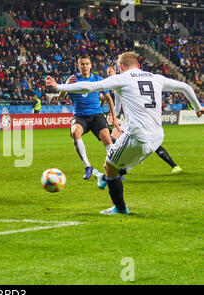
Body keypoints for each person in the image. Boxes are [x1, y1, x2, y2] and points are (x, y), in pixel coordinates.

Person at [46, 52, 203, 215]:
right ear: (138, 65)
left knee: (109, 167)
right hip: (157, 137)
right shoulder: (156, 78)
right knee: (121, 165)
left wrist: (59, 87)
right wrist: (198, 108)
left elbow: (89, 86)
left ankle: (120, 208)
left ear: (121, 67)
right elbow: (186, 87)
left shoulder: (123, 78)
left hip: (138, 136)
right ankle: (107, 180)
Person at [104, 66, 183, 178]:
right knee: (150, 145)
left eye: (111, 71)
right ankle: (174, 165)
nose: (110, 73)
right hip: (140, 120)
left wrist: (114, 116)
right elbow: (118, 106)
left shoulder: (121, 82)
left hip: (134, 121)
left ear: (116, 70)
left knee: (125, 144)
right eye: (108, 72)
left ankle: (113, 173)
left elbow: (118, 107)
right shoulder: (122, 83)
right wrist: (115, 117)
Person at [58, 55, 120, 180]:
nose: (85, 66)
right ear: (78, 66)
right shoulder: (73, 79)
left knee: (107, 139)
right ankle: (87, 166)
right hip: (80, 116)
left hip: (96, 115)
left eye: (87, 64)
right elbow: (60, 96)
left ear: (91, 66)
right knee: (75, 132)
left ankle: (114, 170)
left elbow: (108, 98)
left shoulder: (98, 79)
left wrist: (114, 116)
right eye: (82, 64)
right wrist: (65, 86)